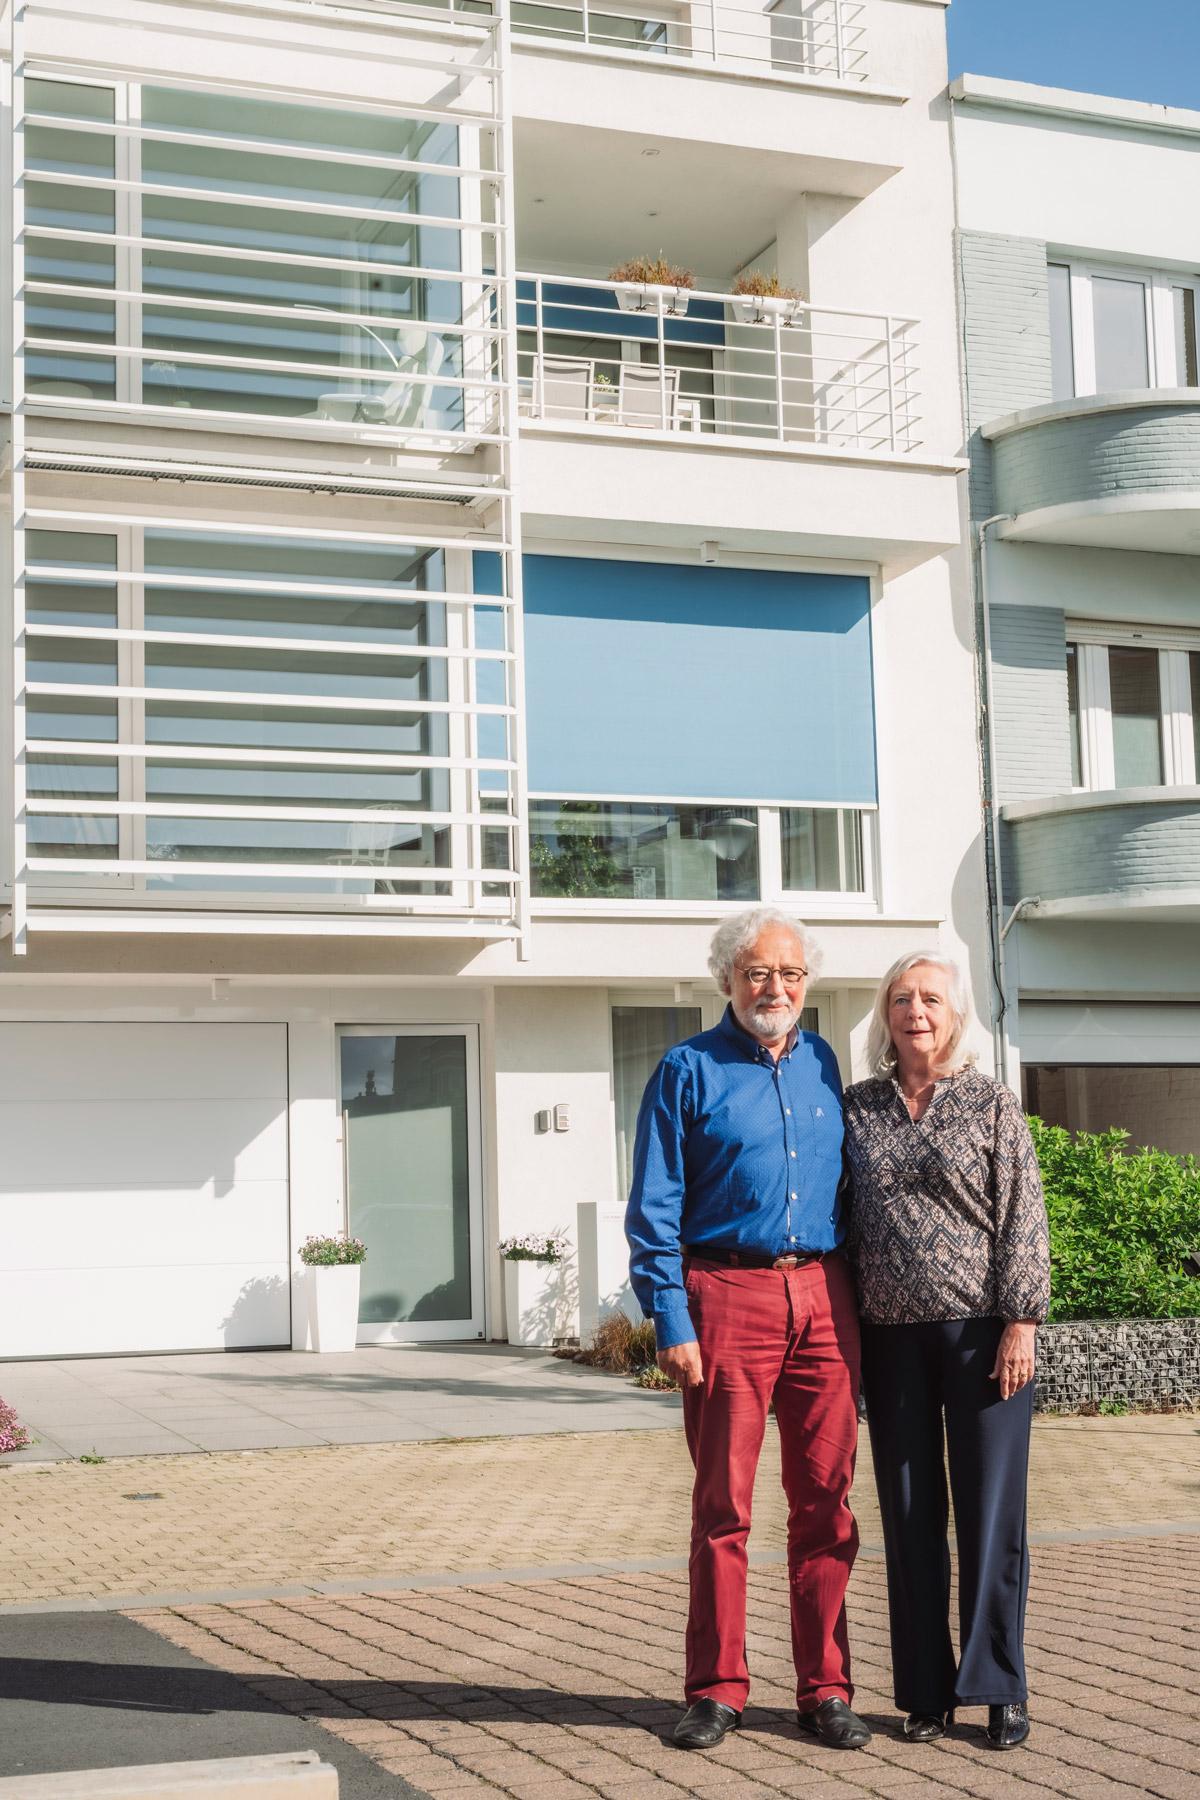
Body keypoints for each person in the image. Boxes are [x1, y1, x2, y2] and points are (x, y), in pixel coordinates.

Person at [625, 906, 869, 1753]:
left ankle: (826, 1690)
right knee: (723, 1507)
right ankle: (717, 1690)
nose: (776, 987)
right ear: (728, 975)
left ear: (808, 984)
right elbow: (653, 1207)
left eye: (791, 974)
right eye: (759, 971)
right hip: (726, 1292)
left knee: (826, 1504)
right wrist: (671, 1315)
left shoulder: (824, 1063)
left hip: (825, 1298)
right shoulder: (686, 1069)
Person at [842, 952, 1051, 1752]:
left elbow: (1024, 1216)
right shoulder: (858, 1108)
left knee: (992, 1518)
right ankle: (925, 1692)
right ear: (884, 1014)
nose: (915, 1010)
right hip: (890, 1340)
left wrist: (1022, 1320)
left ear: (955, 1013)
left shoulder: (992, 1103)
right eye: (901, 998)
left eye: (930, 997)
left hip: (985, 1342)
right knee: (908, 1515)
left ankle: (998, 1686)